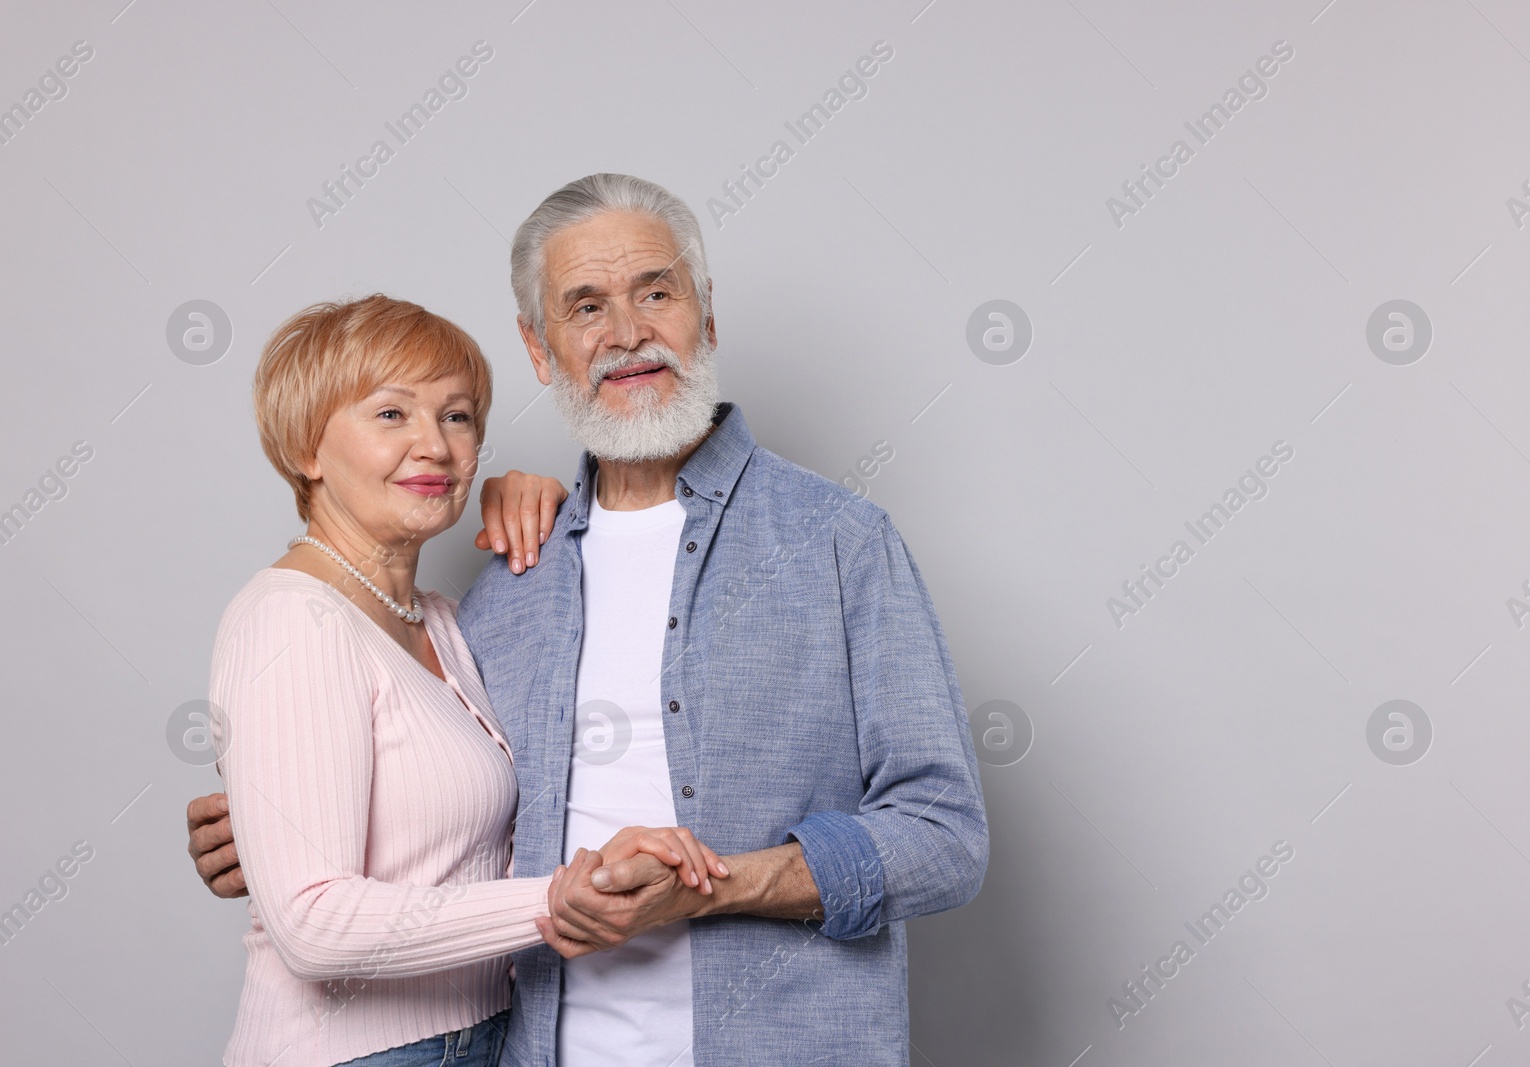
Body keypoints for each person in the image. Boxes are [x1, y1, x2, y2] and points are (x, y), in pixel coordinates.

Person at [190, 174, 989, 1066]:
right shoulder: (510, 582)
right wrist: (265, 822)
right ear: (540, 349)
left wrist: (716, 887)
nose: (626, 333)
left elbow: (944, 836)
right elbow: (431, 805)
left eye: (657, 290)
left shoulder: (840, 543)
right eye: (585, 306)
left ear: (707, 315)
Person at [208, 293, 726, 1067]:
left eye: (457, 417)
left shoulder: (440, 620)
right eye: (391, 415)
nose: (437, 446)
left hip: (478, 1041)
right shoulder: (294, 620)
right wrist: (555, 900)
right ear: (306, 447)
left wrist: (545, 496)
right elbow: (312, 921)